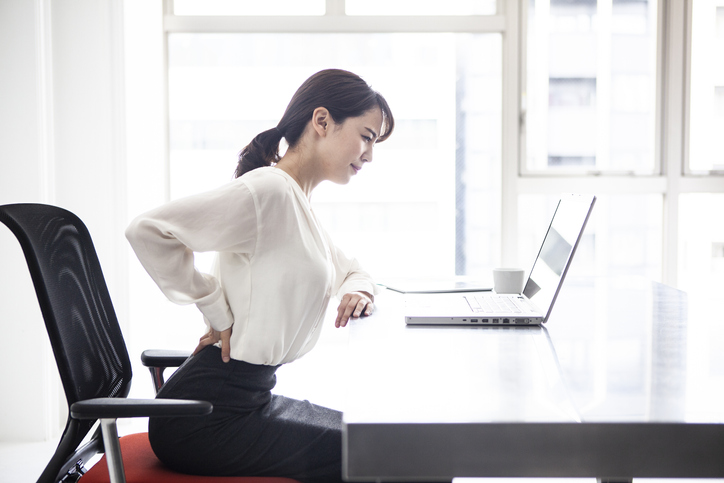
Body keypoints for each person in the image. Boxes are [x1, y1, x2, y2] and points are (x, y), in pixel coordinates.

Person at [125, 69, 394, 482]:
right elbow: (148, 230)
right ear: (322, 122)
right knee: (403, 457)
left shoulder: (296, 200)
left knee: (402, 444)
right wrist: (215, 307)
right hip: (204, 418)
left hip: (246, 399)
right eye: (367, 136)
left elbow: (353, 270)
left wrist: (358, 291)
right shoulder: (268, 191)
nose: (370, 155)